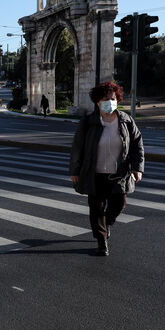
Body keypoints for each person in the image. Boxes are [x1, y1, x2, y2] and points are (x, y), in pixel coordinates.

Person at [69, 81, 144, 257]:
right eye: (105, 99)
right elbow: (77, 147)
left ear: (117, 99)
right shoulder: (88, 122)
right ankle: (102, 242)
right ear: (97, 101)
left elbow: (137, 145)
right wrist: (74, 171)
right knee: (96, 208)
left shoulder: (126, 120)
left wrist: (137, 168)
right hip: (94, 174)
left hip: (119, 173)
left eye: (113, 98)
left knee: (119, 204)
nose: (110, 102)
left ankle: (107, 223)